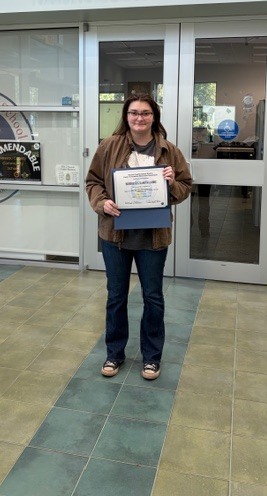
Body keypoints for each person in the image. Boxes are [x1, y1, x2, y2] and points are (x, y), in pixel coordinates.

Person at [85, 93, 192, 380]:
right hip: (115, 235)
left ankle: (152, 358)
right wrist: (102, 202)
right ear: (126, 116)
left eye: (145, 113)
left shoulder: (169, 150)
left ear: (154, 116)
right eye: (134, 113)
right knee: (116, 296)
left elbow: (185, 185)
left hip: (153, 237)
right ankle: (114, 354)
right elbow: (93, 181)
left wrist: (172, 184)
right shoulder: (109, 146)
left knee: (153, 297)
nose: (139, 118)